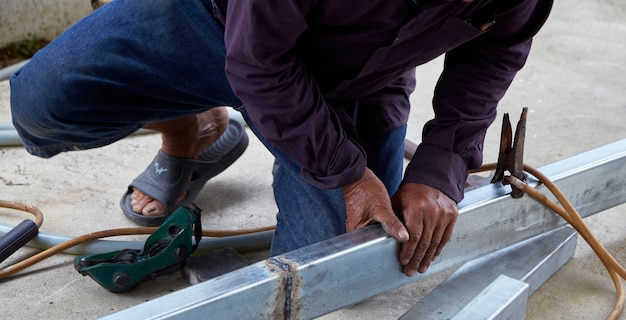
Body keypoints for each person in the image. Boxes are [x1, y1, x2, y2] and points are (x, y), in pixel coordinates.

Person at [9, 0, 553, 276]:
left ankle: (242, 128)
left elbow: (495, 52)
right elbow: (260, 65)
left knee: (338, 263)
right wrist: (346, 171)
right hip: (213, 21)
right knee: (44, 104)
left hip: (353, 77)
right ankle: (191, 130)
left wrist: (439, 168)